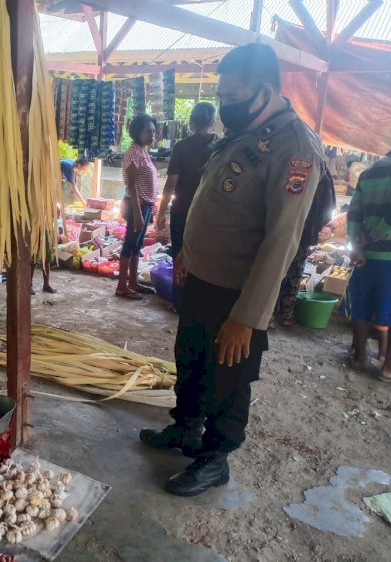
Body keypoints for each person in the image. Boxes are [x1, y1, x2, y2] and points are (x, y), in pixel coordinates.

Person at [139, 43, 324, 496]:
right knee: (192, 359)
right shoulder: (246, 131)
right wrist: (188, 255)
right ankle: (184, 429)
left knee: (228, 379)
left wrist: (248, 317)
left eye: (233, 97)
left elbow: (282, 240)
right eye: (222, 97)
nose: (225, 106)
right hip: (203, 279)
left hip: (239, 294)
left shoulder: (294, 147)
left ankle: (215, 459)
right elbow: (214, 202)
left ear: (264, 90)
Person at [156, 102, 218, 310]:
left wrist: (161, 211)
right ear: (213, 122)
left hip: (183, 212)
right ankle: (200, 305)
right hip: (210, 215)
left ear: (191, 122)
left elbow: (171, 184)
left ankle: (180, 303)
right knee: (206, 261)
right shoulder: (220, 147)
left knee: (180, 257)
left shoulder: (182, 147)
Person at [346, 151, 391, 381]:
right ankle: (388, 368)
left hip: (365, 256)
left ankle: (360, 356)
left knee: (361, 305)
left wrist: (358, 244)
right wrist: (369, 238)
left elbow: (353, 213)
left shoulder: (370, 172)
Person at [274, 171, 336, 327]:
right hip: (303, 231)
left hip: (279, 227)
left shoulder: (288, 163)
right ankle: (284, 314)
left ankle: (267, 315)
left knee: (275, 269)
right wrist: (319, 227)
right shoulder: (321, 172)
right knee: (293, 272)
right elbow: (327, 207)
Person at [115, 114, 158, 300]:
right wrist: (139, 214)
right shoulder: (133, 152)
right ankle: (121, 286)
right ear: (137, 132)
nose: (152, 135)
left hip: (144, 205)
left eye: (154, 132)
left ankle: (133, 282)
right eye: (148, 131)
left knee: (137, 245)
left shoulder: (143, 151)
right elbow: (131, 185)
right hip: (136, 206)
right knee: (130, 244)